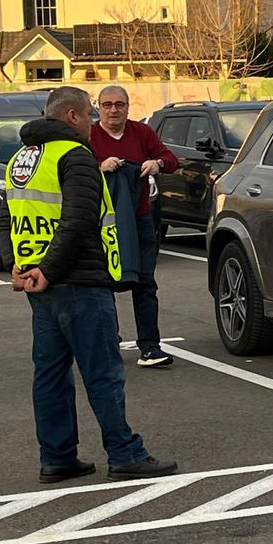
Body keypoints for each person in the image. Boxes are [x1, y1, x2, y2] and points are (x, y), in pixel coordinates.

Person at [0, 86, 177, 484]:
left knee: (50, 373)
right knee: (103, 372)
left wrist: (18, 266)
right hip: (78, 280)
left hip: (39, 284)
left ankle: (58, 457)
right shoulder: (75, 156)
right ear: (72, 117)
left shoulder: (21, 158)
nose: (93, 121)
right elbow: (78, 220)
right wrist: (50, 268)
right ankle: (125, 452)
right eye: (88, 114)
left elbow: (7, 216)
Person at [90, 85, 179, 368]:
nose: (113, 110)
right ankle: (109, 342)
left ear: (128, 106)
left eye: (119, 104)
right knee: (104, 284)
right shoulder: (89, 136)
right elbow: (71, 168)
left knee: (145, 283)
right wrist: (99, 166)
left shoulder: (142, 133)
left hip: (141, 219)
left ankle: (150, 347)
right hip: (103, 224)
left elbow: (172, 160)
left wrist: (156, 163)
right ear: (98, 107)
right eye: (107, 105)